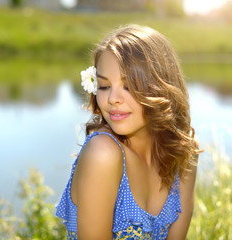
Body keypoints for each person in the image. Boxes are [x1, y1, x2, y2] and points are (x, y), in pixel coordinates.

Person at [56, 24, 200, 240]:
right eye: (104, 86)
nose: (113, 98)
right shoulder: (103, 154)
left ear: (161, 86)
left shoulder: (184, 152)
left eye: (129, 86)